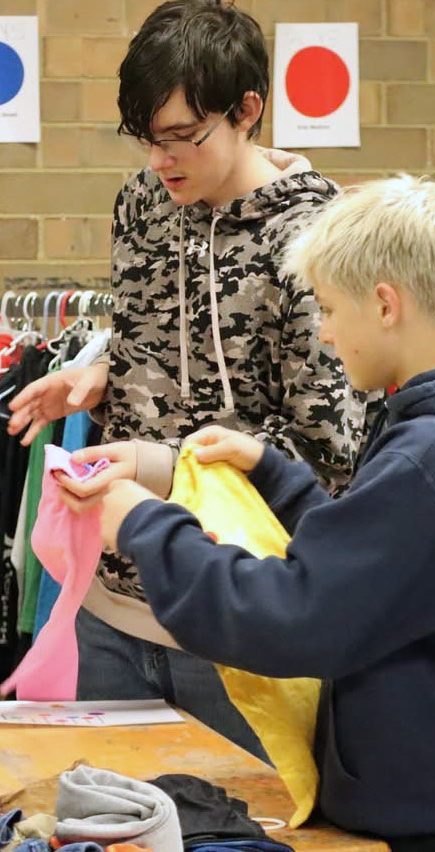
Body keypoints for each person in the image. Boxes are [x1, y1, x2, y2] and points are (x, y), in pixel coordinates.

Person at [59, 174, 435, 851]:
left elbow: (289, 617)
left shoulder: (432, 456)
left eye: (327, 309)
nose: (323, 333)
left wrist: (144, 523)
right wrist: (274, 477)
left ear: (384, 305)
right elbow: (386, 568)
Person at [8, 0, 376, 757]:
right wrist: (99, 375)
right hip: (109, 607)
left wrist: (159, 464)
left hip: (239, 617)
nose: (159, 161)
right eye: (146, 139)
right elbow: (157, 341)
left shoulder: (316, 238)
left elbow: (328, 453)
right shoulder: (144, 203)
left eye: (181, 137)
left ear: (248, 110)